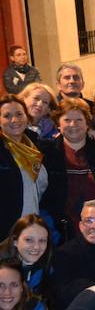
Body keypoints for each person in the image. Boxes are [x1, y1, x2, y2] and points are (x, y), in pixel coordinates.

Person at [41, 97, 95, 239]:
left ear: (87, 124)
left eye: (79, 120)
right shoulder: (46, 152)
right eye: (67, 120)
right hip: (60, 230)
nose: (73, 124)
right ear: (58, 124)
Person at [0, 95, 49, 238]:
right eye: (7, 116)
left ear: (27, 117)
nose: (14, 120)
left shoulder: (37, 146)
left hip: (34, 227)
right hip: (7, 231)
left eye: (19, 114)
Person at [0, 214, 52, 295]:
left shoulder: (46, 263)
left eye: (42, 241)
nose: (36, 247)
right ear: (15, 241)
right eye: (29, 240)